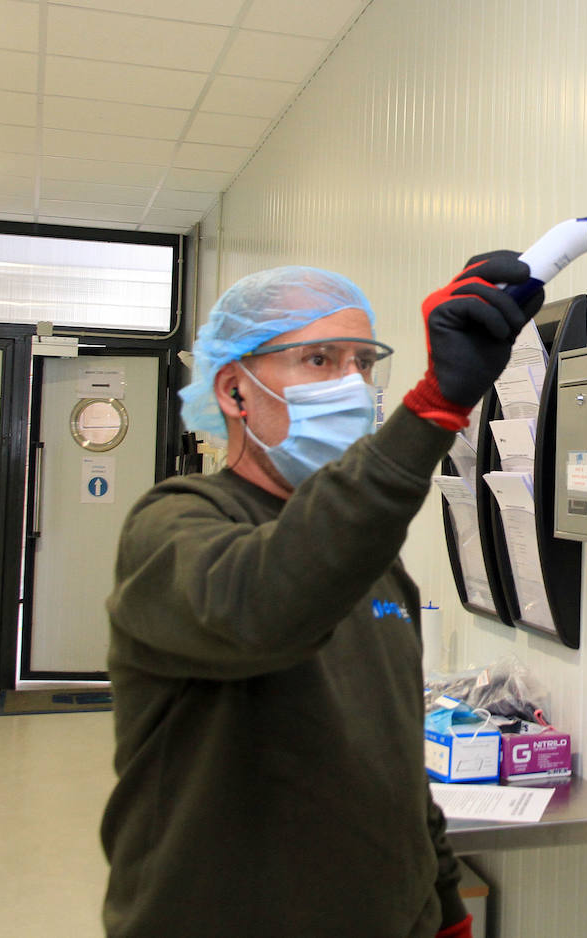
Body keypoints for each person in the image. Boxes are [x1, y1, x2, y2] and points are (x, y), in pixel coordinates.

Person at [100, 256, 542, 937]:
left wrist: (446, 909)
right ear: (235, 391)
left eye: (363, 363)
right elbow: (267, 605)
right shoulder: (173, 527)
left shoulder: (371, 561)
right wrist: (431, 409)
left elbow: (397, 766)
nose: (351, 384)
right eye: (319, 359)